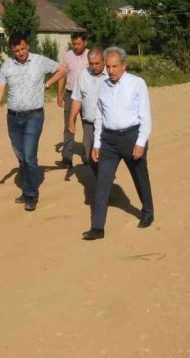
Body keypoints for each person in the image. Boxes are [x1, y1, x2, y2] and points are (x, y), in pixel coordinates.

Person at [0, 34, 67, 211]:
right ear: (12, 50)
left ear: (28, 46)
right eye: (17, 50)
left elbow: (62, 70)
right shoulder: (7, 66)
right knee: (21, 156)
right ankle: (26, 189)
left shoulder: (39, 61)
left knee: (30, 156)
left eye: (23, 48)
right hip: (13, 118)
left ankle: (31, 195)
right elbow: (0, 89)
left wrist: (47, 84)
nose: (21, 52)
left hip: (34, 116)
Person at [82, 47, 154, 240]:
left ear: (124, 65)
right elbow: (99, 116)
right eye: (108, 66)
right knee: (103, 182)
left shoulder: (137, 84)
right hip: (109, 141)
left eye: (115, 66)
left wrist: (140, 142)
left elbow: (145, 116)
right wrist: (96, 143)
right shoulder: (103, 86)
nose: (111, 70)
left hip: (131, 138)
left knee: (140, 177)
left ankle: (148, 211)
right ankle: (98, 227)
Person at [68, 46, 108, 177]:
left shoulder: (111, 74)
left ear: (103, 61)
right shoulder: (84, 75)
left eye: (97, 63)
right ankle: (101, 179)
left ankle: (104, 184)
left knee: (105, 155)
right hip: (89, 124)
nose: (94, 66)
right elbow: (77, 98)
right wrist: (72, 120)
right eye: (91, 64)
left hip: (107, 125)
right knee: (90, 155)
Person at [59, 32, 89, 168]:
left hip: (87, 96)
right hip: (70, 94)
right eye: (74, 44)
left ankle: (88, 157)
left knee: (88, 126)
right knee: (69, 126)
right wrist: (59, 94)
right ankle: (67, 158)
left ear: (85, 42)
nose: (76, 46)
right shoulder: (67, 56)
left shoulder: (91, 55)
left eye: (79, 43)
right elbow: (62, 75)